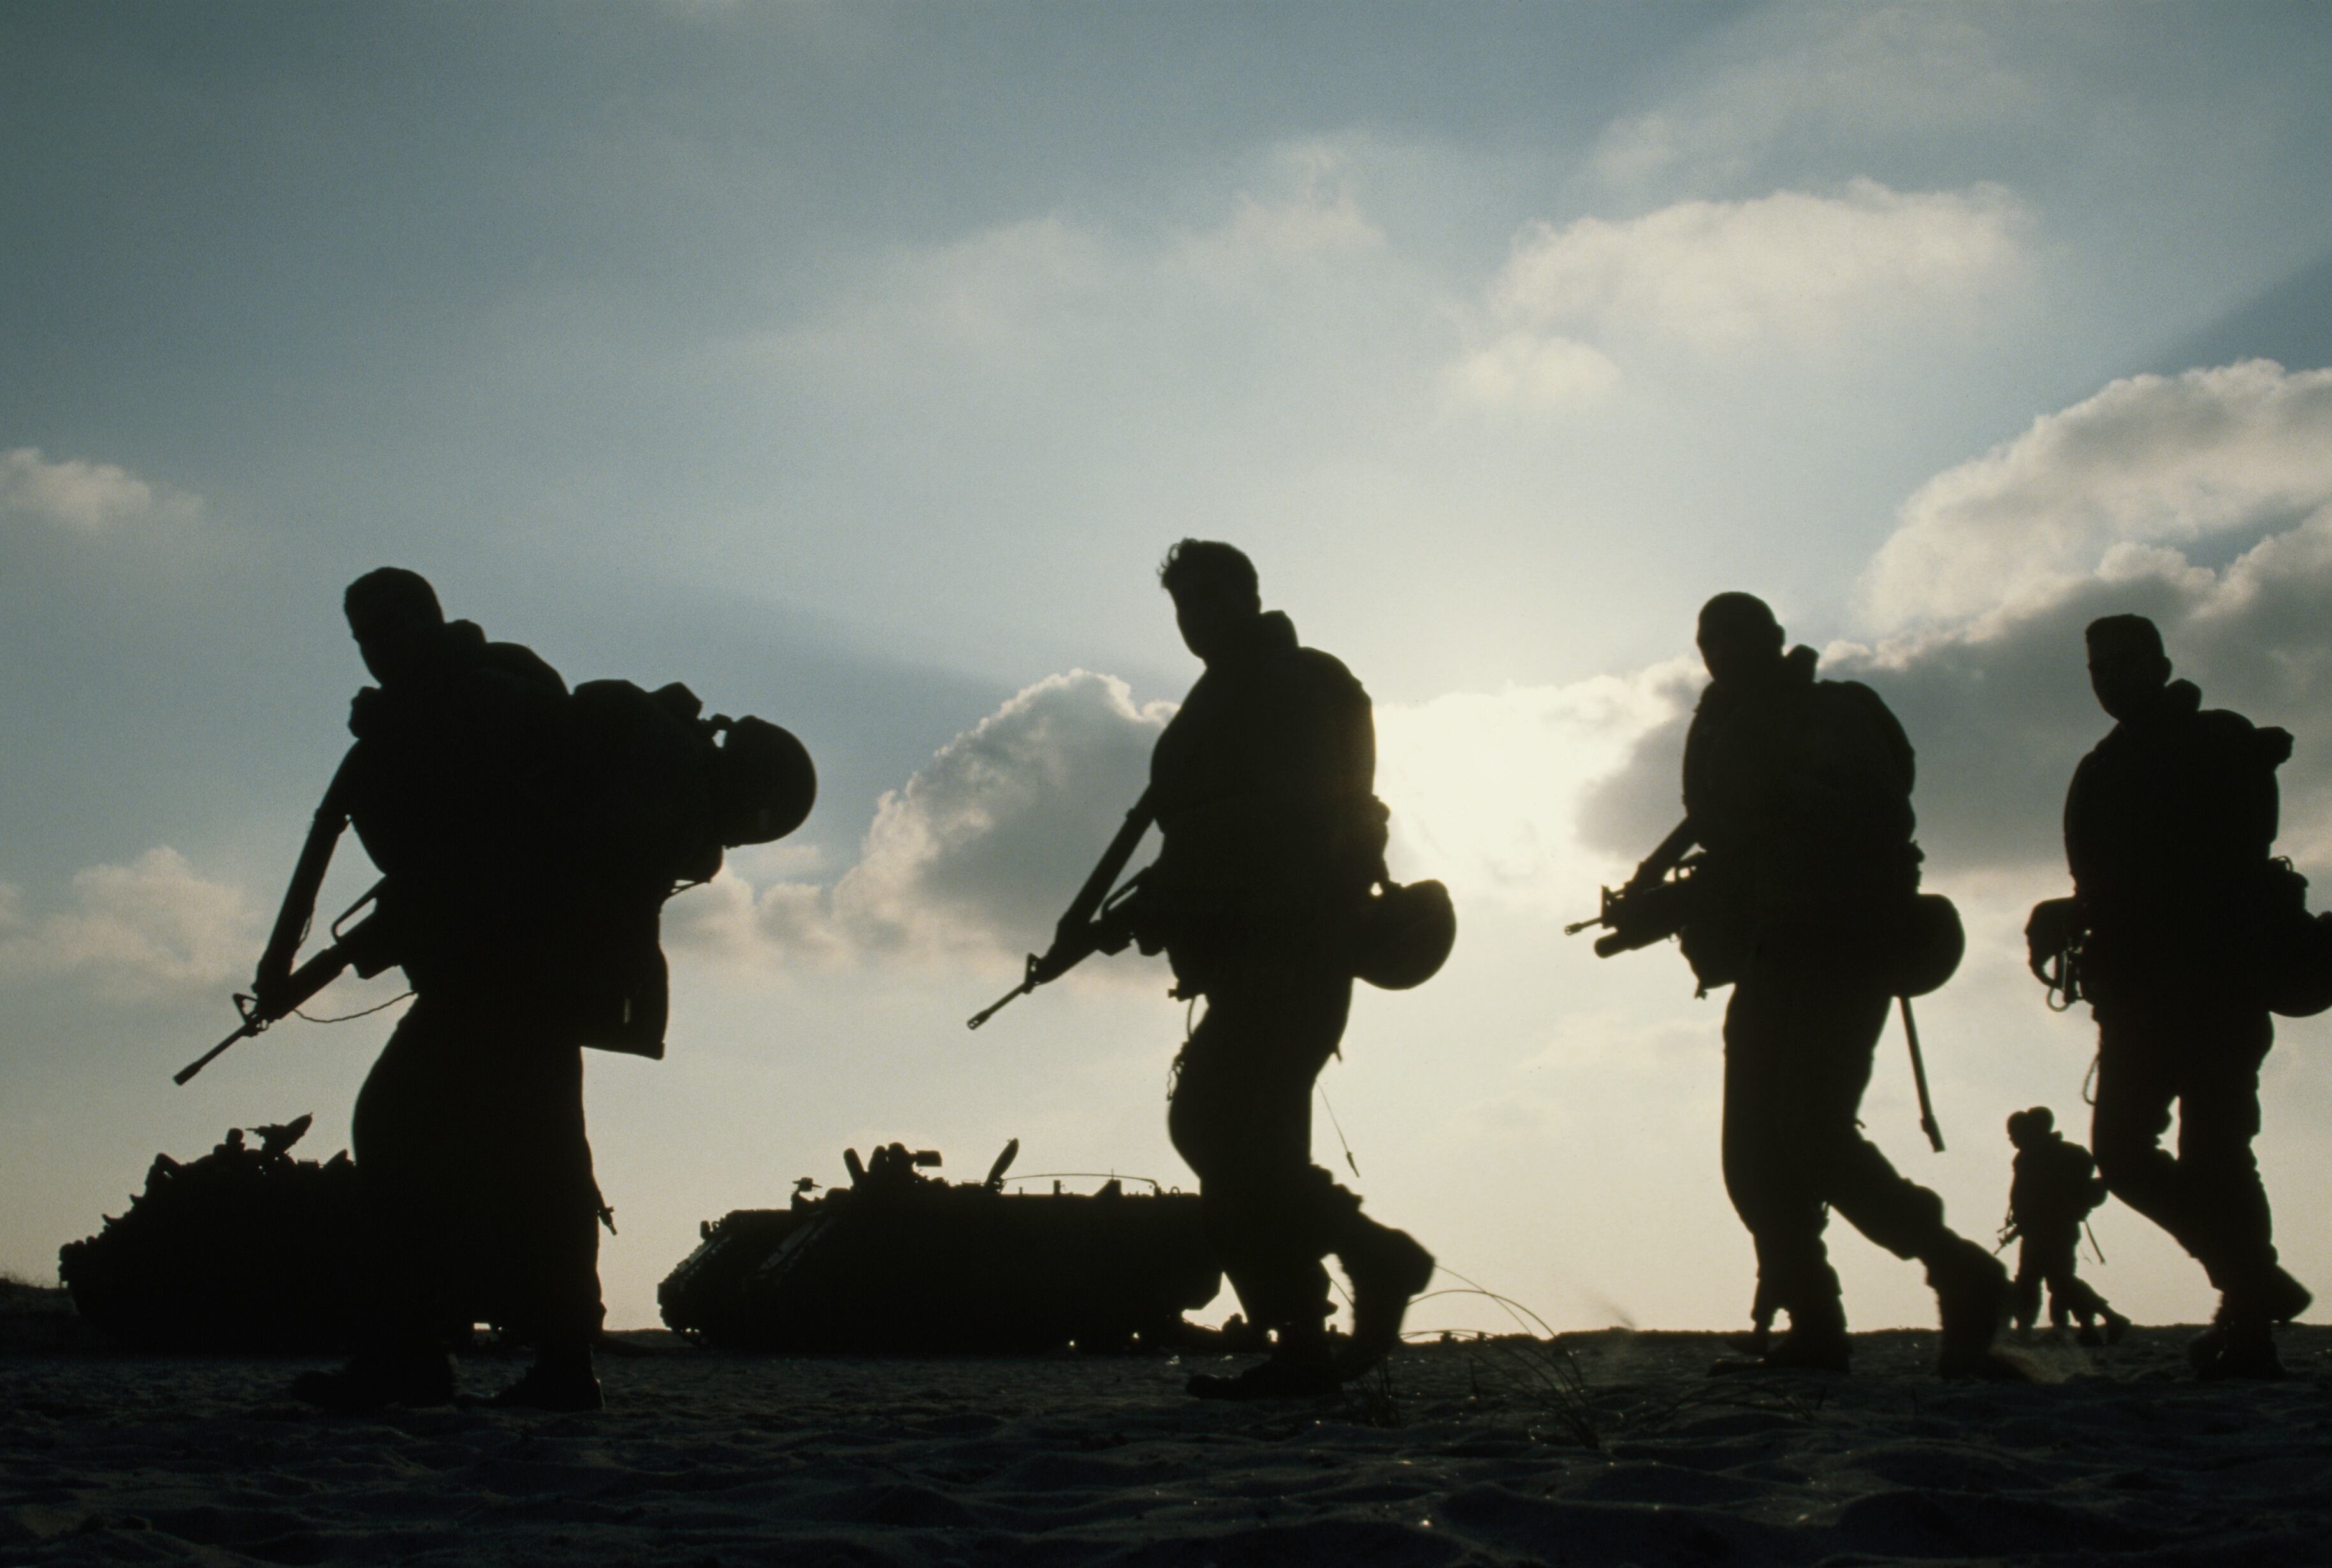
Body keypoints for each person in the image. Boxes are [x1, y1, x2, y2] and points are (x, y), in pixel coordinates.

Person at [1666, 592, 2012, 1376]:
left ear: (1773, 641)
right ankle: (1813, 1321)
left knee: (1810, 1133)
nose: (1720, 652)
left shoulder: (1831, 714)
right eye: (1708, 641)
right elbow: (1734, 847)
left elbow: (1868, 817)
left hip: (1840, 942)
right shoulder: (1722, 731)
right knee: (1752, 1154)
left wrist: (1781, 844)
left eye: (1736, 637)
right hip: (1769, 951)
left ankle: (1957, 1269)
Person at [287, 569, 609, 1412]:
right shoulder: (439, 713)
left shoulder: (479, 703)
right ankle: (552, 1361)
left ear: (425, 622)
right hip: (509, 975)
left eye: (387, 629)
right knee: (535, 1157)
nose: (375, 649)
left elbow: (480, 849)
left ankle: (417, 1355)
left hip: (508, 973)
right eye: (363, 636)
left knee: (402, 1131)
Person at [1134, 540, 1435, 1399]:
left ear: (1246, 597)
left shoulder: (1298, 682)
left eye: (1209, 598)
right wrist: (1164, 902)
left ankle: (1373, 1263)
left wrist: (1180, 890)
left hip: (1291, 940)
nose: (1196, 617)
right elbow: (1200, 833)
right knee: (1245, 1141)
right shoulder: (1220, 697)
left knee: (1213, 1128)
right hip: (1240, 951)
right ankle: (1305, 1336)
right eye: (1183, 606)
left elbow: (1289, 816)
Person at [2025, 614, 2310, 1377]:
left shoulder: (2213, 746)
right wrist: (2075, 914)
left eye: (2120, 665)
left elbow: (2196, 870)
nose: (2107, 681)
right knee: (2124, 1154)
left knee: (2213, 1154)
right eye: (2096, 670)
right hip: (2138, 991)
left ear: (2157, 662)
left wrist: (2078, 913)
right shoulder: (2108, 764)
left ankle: (2247, 1320)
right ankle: (2248, 1285)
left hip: (2212, 981)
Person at [2002, 1107, 2127, 1345]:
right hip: (2049, 1229)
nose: (2012, 1139)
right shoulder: (2045, 1156)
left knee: (2051, 1282)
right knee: (2056, 1281)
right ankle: (2090, 1327)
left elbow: (2039, 1200)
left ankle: (2105, 1320)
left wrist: (2026, 1223)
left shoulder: (2035, 1158)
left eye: (2015, 1133)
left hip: (2048, 1230)